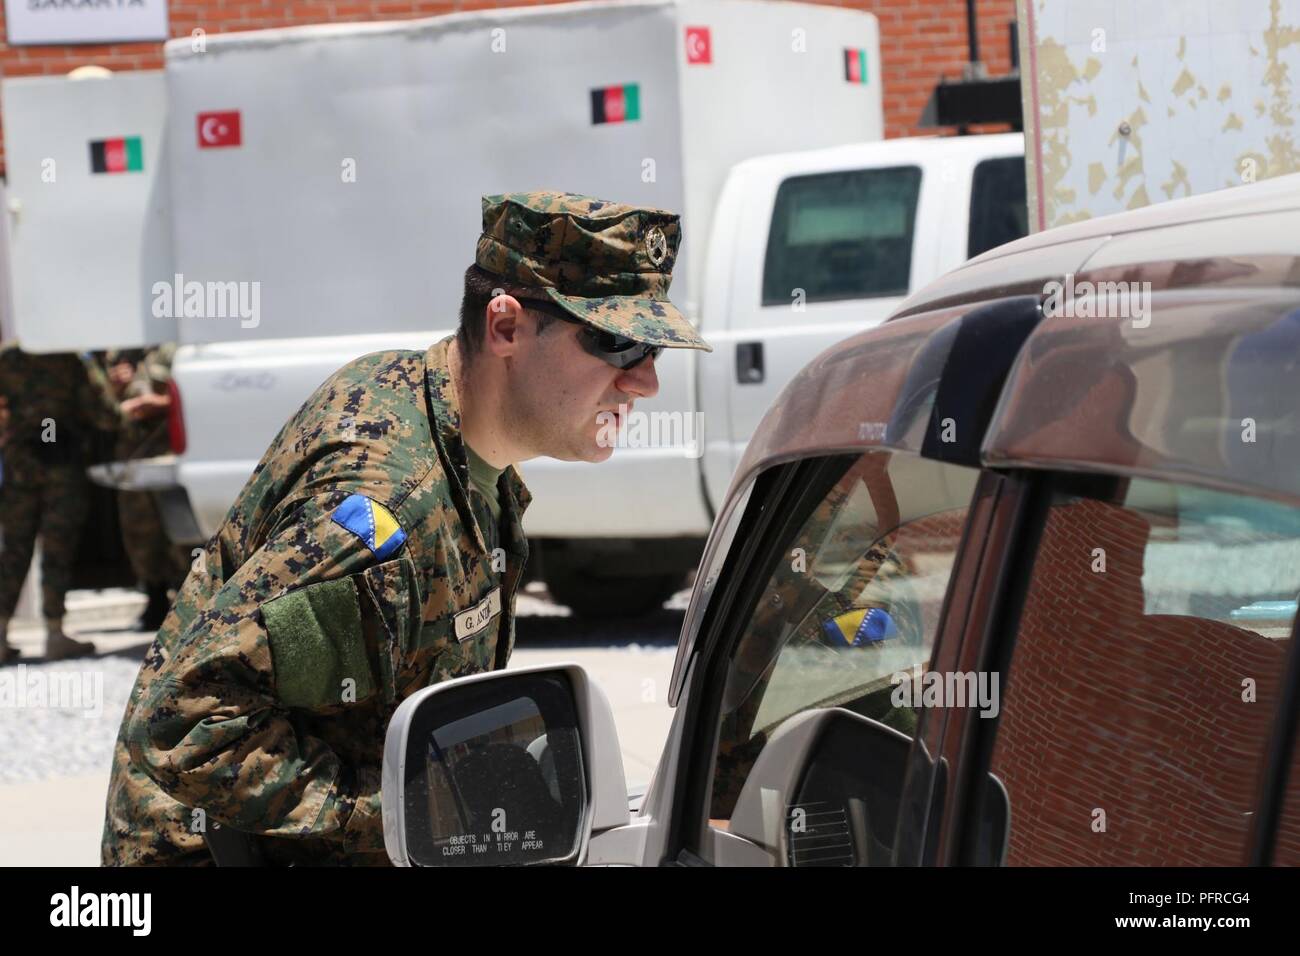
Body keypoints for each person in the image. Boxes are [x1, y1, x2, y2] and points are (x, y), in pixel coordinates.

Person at [101, 190, 712, 865]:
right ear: (505, 327)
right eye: (618, 344)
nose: (646, 383)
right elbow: (184, 719)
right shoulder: (385, 513)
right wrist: (409, 818)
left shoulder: (459, 438)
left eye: (653, 349)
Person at [0, 344, 123, 663]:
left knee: (13, 549)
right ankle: (55, 633)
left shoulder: (8, 358)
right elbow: (105, 414)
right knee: (57, 548)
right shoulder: (69, 356)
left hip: (19, 464)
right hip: (60, 464)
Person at [104, 344, 188, 629]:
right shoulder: (117, 356)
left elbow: (191, 393)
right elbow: (103, 410)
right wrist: (114, 389)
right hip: (132, 458)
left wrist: (160, 403)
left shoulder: (171, 348)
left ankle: (188, 601)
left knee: (180, 532)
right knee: (139, 532)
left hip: (168, 453)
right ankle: (155, 600)